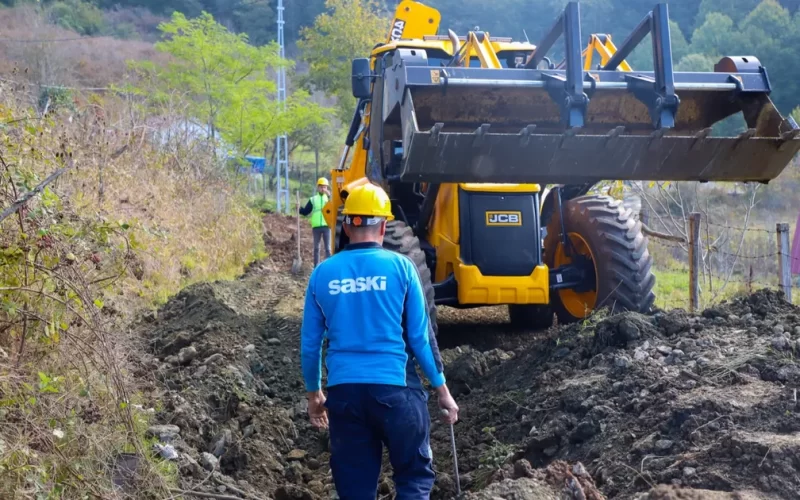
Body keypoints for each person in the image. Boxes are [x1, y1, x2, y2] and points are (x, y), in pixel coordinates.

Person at [300, 182, 459, 499]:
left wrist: (314, 394)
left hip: (345, 397)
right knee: (413, 479)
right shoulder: (402, 267)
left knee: (355, 489)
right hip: (397, 393)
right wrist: (442, 390)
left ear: (346, 225)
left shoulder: (322, 274)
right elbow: (419, 338)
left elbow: (310, 344)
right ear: (384, 225)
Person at [298, 177, 332, 267]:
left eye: (324, 187)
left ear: (327, 188)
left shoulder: (329, 199)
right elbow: (306, 211)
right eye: (321, 187)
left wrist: (329, 196)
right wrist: (299, 209)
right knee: (316, 248)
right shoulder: (313, 199)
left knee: (328, 248)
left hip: (327, 225)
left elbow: (334, 207)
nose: (323, 189)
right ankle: (316, 266)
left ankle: (329, 266)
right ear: (318, 187)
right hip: (316, 226)